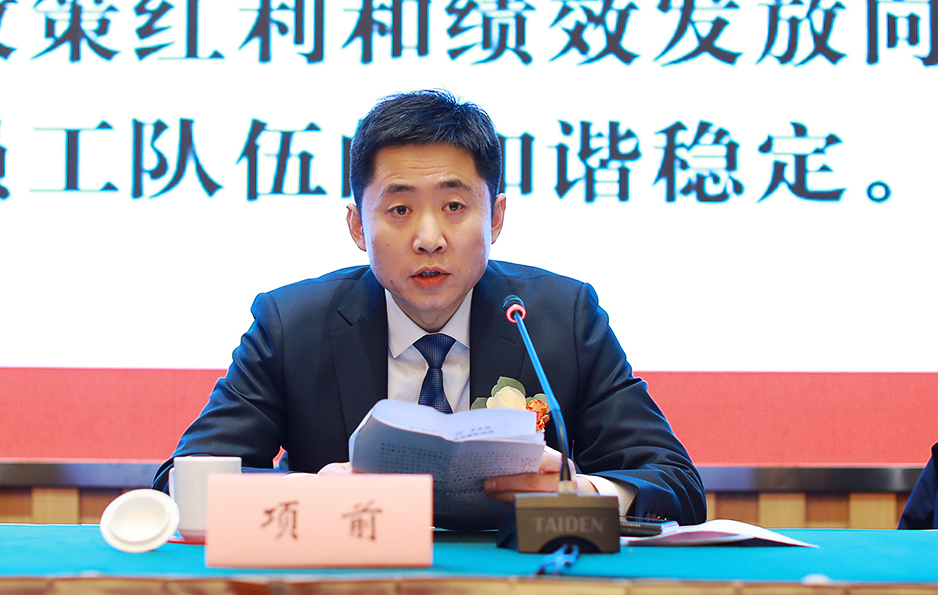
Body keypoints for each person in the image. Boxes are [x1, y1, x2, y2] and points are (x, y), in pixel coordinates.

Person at [153, 90, 706, 527]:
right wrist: (314, 494)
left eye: (454, 206)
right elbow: (182, 482)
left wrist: (581, 491)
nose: (428, 238)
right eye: (399, 209)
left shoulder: (562, 317)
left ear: (496, 219)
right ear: (357, 227)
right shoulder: (292, 324)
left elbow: (675, 483)